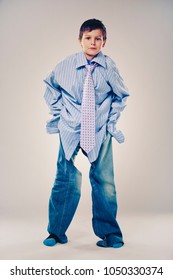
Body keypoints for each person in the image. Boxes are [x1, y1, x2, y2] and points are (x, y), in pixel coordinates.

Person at [43, 18, 129, 248]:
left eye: (98, 38)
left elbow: (122, 95)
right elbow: (50, 86)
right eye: (88, 38)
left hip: (99, 129)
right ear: (80, 40)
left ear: (104, 42)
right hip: (70, 128)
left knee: (104, 180)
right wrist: (60, 113)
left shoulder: (109, 67)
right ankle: (56, 232)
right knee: (64, 178)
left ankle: (111, 234)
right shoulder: (66, 65)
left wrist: (111, 122)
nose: (93, 42)